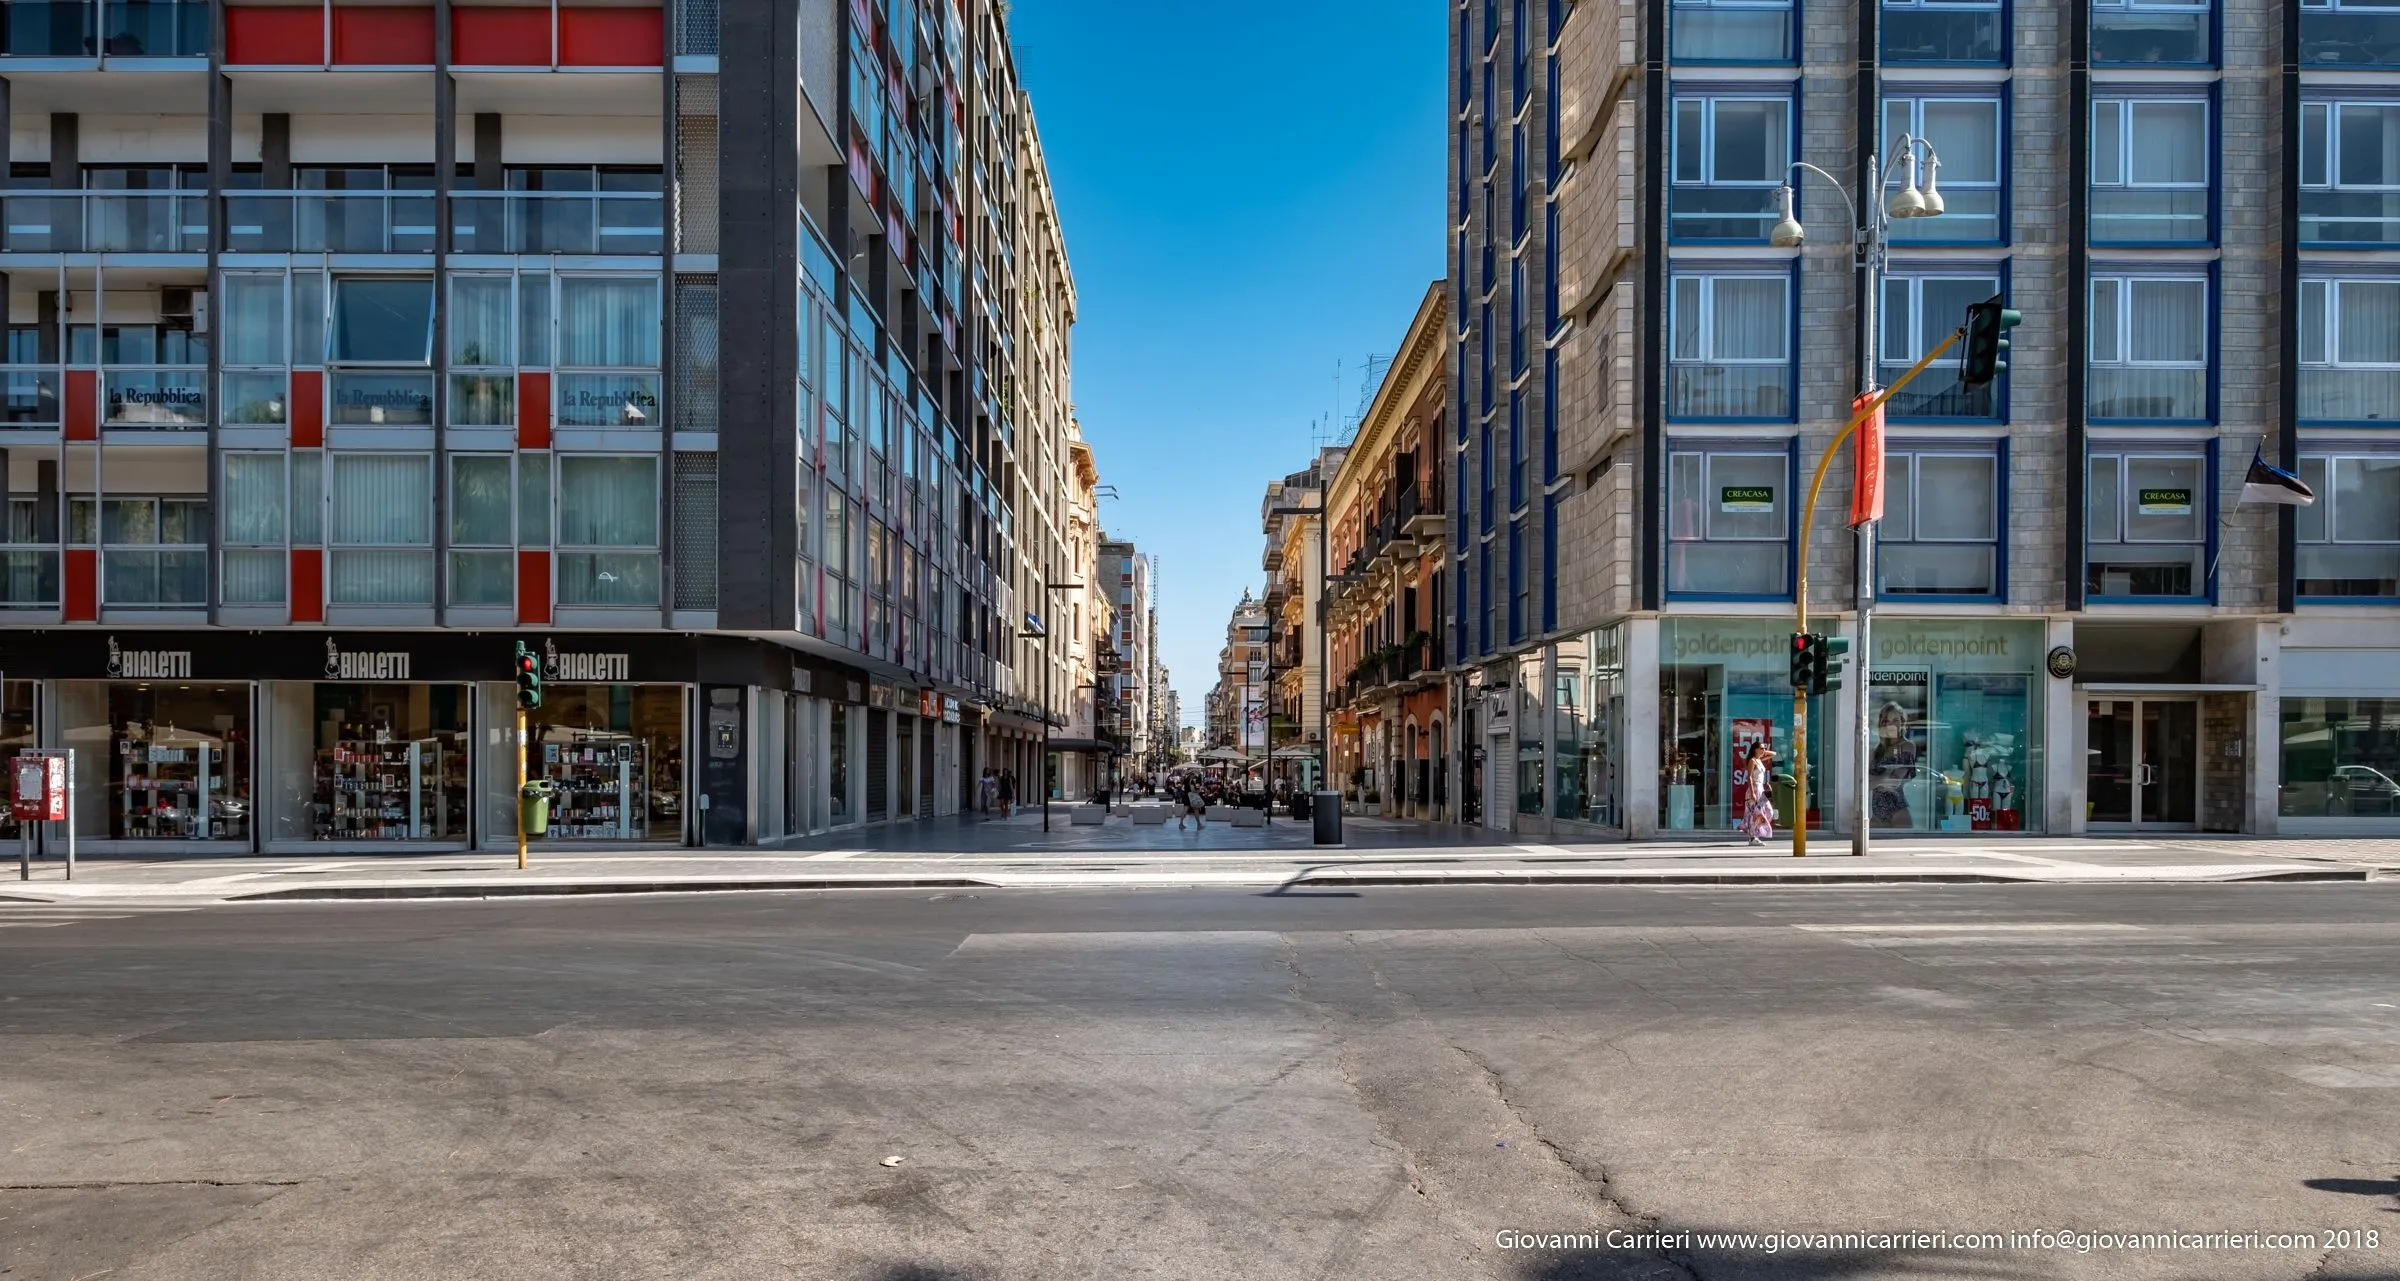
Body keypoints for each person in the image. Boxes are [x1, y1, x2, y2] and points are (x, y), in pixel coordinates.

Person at [1871, 701, 1919, 829]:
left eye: (1895, 720)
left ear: (1902, 723)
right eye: (1887, 721)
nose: (1891, 725)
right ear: (1882, 723)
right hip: (1876, 814)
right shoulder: (1876, 750)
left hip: (1897, 811)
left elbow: (1894, 780)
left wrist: (1876, 781)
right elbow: (1864, 785)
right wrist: (1880, 781)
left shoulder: (1907, 746)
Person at [1741, 743, 1778, 846]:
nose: (1763, 750)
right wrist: (1752, 792)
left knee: (1769, 811)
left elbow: (1773, 754)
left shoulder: (1759, 760)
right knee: (1755, 814)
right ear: (1755, 749)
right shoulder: (1752, 761)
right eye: (1761, 748)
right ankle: (1753, 838)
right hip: (1755, 788)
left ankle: (1756, 832)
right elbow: (1749, 777)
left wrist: (1763, 752)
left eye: (1764, 748)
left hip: (1761, 788)